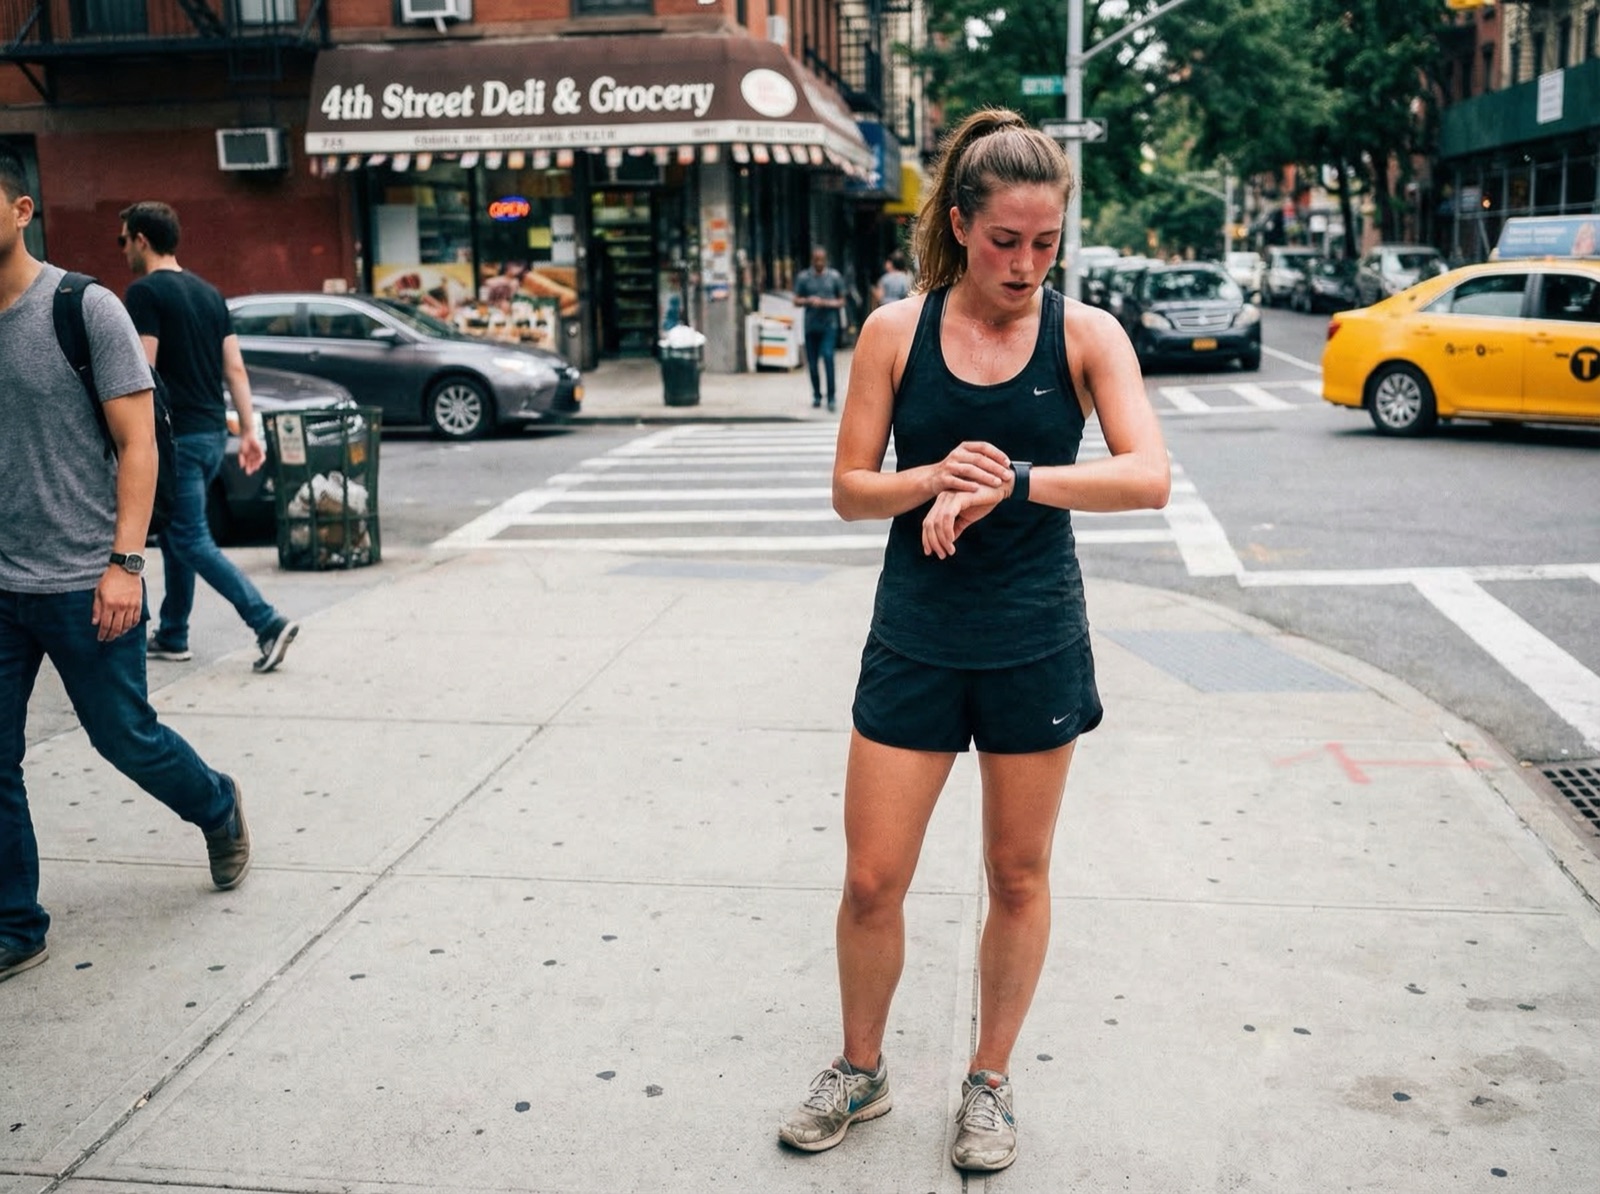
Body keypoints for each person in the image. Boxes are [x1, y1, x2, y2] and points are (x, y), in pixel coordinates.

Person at [777, 109, 1171, 1171]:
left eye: (1046, 244)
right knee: (872, 878)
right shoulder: (894, 333)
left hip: (1034, 635)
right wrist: (936, 478)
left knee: (1016, 875)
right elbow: (851, 492)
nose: (1026, 264)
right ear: (960, 225)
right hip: (914, 633)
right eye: (1006, 241)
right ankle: (860, 1070)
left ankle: (987, 1082)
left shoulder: (1085, 336)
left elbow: (1148, 476)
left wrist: (1018, 483)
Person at [0, 150, 251, 985]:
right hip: (2, 585)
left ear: (23, 209)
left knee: (124, 738)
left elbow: (139, 443)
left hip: (85, 578)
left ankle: (215, 803)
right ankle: (15, 921)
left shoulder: (86, 306)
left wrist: (124, 564)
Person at [118, 201, 299, 673]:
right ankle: (174, 632)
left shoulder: (145, 294)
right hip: (213, 433)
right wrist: (250, 430)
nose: (123, 252)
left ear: (141, 239)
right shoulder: (209, 293)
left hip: (176, 438)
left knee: (191, 538)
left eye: (123, 241)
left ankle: (266, 622)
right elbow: (234, 367)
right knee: (180, 537)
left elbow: (142, 372)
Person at [793, 244, 848, 411]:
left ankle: (831, 397)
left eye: (821, 260)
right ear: (812, 260)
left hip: (829, 325)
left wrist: (825, 303)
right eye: (816, 260)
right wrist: (809, 300)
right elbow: (796, 300)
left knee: (828, 357)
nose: (819, 263)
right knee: (812, 364)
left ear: (825, 260)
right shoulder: (804, 278)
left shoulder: (834, 277)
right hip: (811, 326)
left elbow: (841, 301)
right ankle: (817, 395)